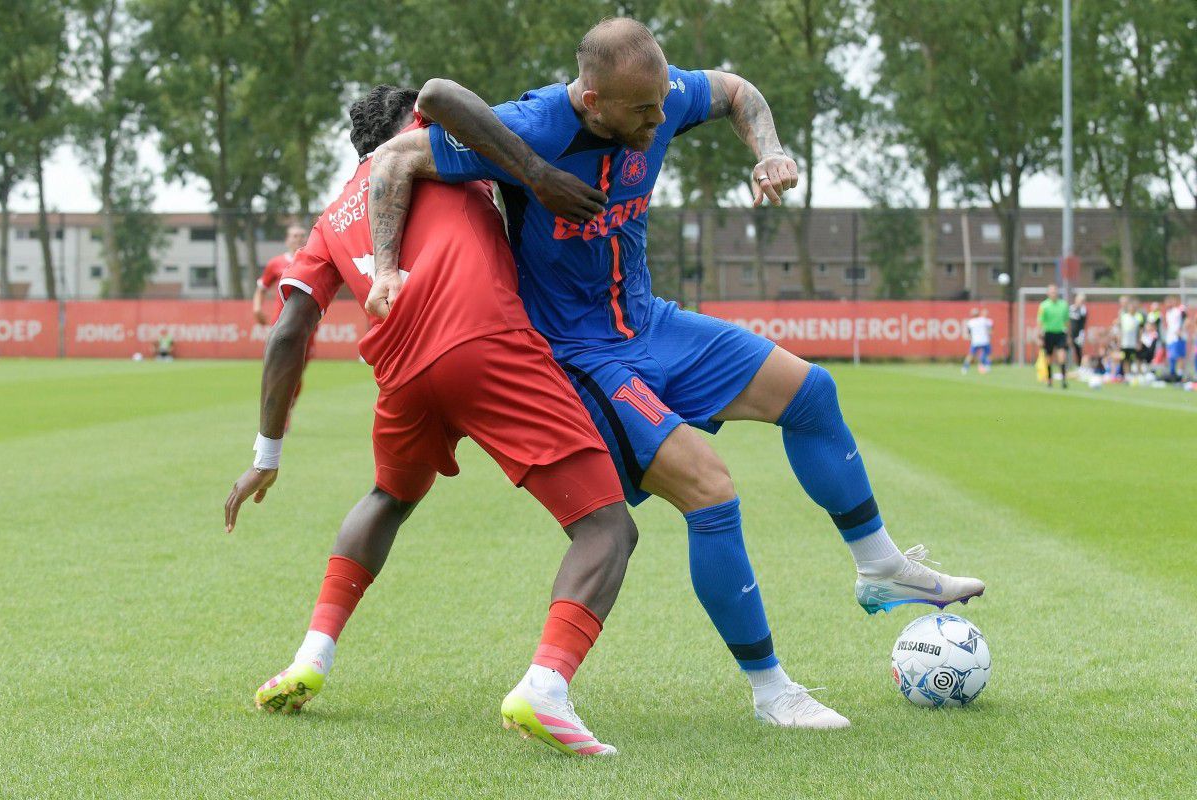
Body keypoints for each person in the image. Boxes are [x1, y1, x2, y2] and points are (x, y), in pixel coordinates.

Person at [365, 17, 984, 730]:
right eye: (643, 111)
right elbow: (396, 159)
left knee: (812, 392)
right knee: (712, 491)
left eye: (664, 102)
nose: (662, 119)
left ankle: (879, 568)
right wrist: (390, 265)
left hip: (650, 322)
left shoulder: (662, 97)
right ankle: (771, 691)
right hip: (581, 356)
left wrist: (770, 152)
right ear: (592, 101)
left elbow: (737, 91)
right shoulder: (534, 126)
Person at [223, 85, 641, 757]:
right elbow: (473, 113)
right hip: (485, 345)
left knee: (389, 496)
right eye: (420, 116)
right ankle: (546, 687)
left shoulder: (335, 215)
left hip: (401, 373)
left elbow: (289, 330)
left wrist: (267, 452)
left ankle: (310, 658)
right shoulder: (444, 154)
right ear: (409, 124)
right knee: (608, 528)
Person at [254, 224, 318, 420]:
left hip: (308, 324)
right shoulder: (276, 263)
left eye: (301, 235)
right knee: (277, 367)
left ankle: (288, 408)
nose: (298, 239)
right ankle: (277, 415)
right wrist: (257, 307)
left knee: (297, 372)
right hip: (280, 322)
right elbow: (262, 288)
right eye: (294, 236)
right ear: (287, 240)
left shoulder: (314, 261)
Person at [1038, 284, 1069, 388]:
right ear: (1048, 293)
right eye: (1051, 292)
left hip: (1060, 333)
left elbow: (1066, 321)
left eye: (1055, 291)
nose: (1053, 293)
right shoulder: (1044, 305)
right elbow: (1040, 322)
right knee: (1049, 358)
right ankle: (1050, 379)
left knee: (1062, 357)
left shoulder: (1063, 305)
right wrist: (1040, 337)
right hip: (1048, 334)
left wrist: (1068, 335)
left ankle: (1064, 380)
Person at [1116, 296, 1143, 379]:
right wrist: (1119, 341)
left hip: (1133, 343)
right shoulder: (1124, 317)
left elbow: (1139, 332)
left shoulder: (1137, 318)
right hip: (1125, 342)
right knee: (1125, 359)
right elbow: (1120, 330)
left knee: (1136, 358)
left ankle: (1138, 374)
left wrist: (1139, 341)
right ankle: (1127, 375)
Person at [1163, 296, 1188, 380]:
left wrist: (1180, 331)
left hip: (1178, 338)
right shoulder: (1168, 312)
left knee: (1179, 356)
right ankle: (1172, 373)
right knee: (1171, 356)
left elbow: (1186, 320)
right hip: (1170, 338)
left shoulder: (1179, 310)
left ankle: (1180, 374)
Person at [962, 308, 993, 374]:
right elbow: (990, 324)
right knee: (988, 354)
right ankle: (987, 366)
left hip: (975, 341)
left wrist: (970, 337)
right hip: (984, 340)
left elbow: (968, 333)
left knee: (971, 355)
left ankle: (965, 367)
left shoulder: (970, 322)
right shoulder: (983, 320)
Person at [1069, 292, 1088, 370]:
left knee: (1078, 349)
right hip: (1070, 333)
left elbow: (1082, 323)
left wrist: (1081, 334)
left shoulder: (1083, 310)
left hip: (1079, 334)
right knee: (1066, 349)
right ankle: (1067, 366)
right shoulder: (1071, 308)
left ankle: (1079, 366)